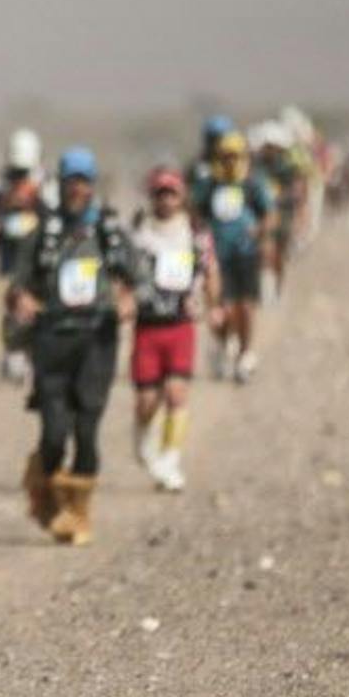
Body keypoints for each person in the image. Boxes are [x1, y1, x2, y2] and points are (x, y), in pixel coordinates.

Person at [9, 147, 134, 545]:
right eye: (71, 182)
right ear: (60, 185)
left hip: (97, 339)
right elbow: (18, 282)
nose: (77, 189)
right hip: (53, 340)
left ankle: (78, 513)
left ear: (92, 185)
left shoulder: (108, 231)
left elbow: (138, 274)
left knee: (87, 428)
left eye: (83, 182)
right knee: (54, 432)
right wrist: (22, 299)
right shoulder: (43, 233)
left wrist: (129, 298)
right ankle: (43, 485)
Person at [128, 167, 221, 491]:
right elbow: (123, 274)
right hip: (147, 326)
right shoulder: (139, 233)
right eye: (160, 194)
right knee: (147, 400)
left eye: (172, 194)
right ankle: (143, 436)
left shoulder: (196, 233)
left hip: (181, 324)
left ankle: (170, 458)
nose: (166, 200)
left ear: (182, 197)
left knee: (176, 393)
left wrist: (214, 305)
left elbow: (210, 271)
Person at [193, 131, 273, 384]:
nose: (230, 161)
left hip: (246, 254)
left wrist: (259, 231)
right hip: (217, 258)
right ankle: (222, 344)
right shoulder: (210, 185)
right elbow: (196, 213)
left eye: (235, 156)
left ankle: (245, 353)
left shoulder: (252, 184)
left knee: (246, 307)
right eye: (226, 156)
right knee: (224, 310)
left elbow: (269, 214)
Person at [0, 127, 48, 384]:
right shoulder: (2, 188)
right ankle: (14, 354)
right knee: (11, 304)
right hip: (9, 257)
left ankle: (34, 356)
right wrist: (3, 203)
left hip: (38, 257)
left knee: (36, 307)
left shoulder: (46, 186)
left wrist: (33, 200)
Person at [252, 122, 306, 304]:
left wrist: (280, 198)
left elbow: (297, 192)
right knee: (265, 253)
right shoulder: (256, 166)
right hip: (262, 216)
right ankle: (264, 291)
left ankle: (278, 290)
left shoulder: (287, 167)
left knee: (279, 256)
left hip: (283, 215)